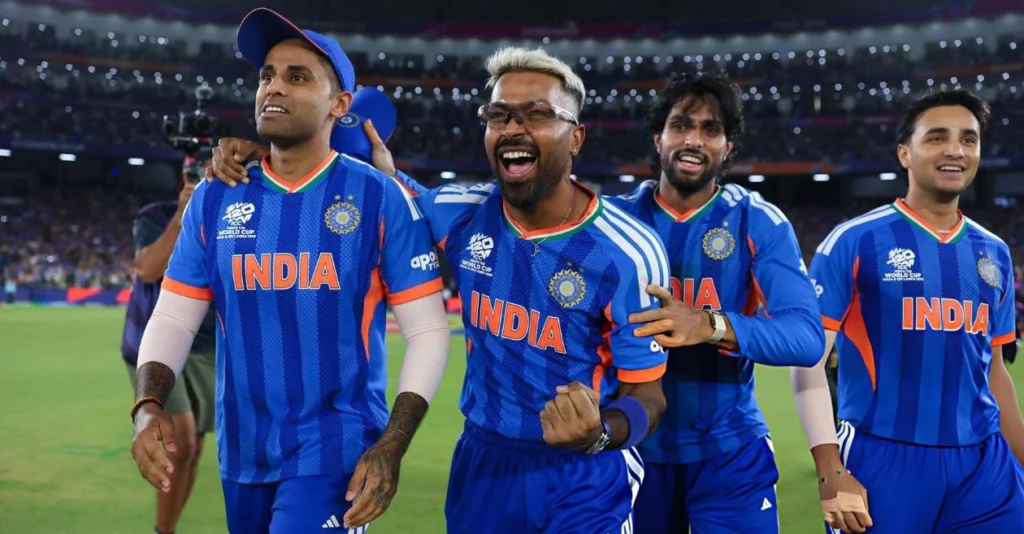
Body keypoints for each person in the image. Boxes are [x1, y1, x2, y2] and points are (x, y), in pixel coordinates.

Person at [212, 45, 672, 534]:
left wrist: (600, 432)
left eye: (537, 114)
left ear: (575, 136)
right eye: (499, 115)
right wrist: (260, 155)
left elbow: (649, 397)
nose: (513, 128)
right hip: (482, 465)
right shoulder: (460, 213)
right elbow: (382, 191)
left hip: (584, 478)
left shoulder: (628, 253)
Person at [129, 8, 451, 533]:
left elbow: (429, 331)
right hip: (244, 449)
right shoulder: (216, 195)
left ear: (340, 105)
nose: (274, 86)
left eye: (297, 77)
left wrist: (392, 445)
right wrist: (147, 404)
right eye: (267, 75)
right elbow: (173, 318)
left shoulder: (379, 196)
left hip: (339, 447)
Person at [601, 72, 827, 534]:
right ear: (658, 137)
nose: (693, 140)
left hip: (731, 452)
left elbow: (806, 338)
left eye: (711, 129)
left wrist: (709, 326)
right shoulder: (612, 222)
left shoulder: (757, 220)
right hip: (631, 449)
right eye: (681, 125)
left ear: (728, 147)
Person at [793, 88, 1024, 533]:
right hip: (882, 458)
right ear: (904, 153)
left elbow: (995, 371)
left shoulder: (993, 251)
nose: (955, 150)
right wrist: (830, 469)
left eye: (968, 139)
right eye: (937, 137)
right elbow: (808, 363)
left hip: (984, 464)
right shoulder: (855, 241)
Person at [121, 150, 218, 534]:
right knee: (184, 443)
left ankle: (168, 528)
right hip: (158, 344)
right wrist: (182, 214)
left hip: (207, 345)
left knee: (195, 446)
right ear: (183, 178)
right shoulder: (156, 216)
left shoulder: (231, 216)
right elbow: (147, 270)